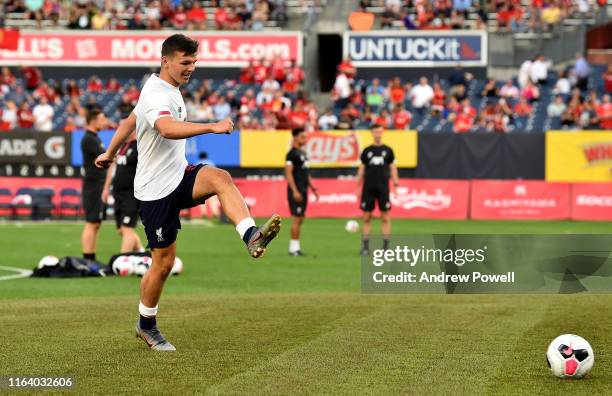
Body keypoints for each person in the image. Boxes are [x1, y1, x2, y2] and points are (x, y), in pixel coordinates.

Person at [94, 34, 281, 351]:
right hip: (154, 192)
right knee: (163, 263)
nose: (191, 68)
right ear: (166, 60)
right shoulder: (157, 94)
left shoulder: (160, 88)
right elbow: (165, 128)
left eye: (194, 62)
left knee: (220, 177)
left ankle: (251, 235)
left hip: (178, 175)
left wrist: (110, 151)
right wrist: (211, 126)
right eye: (185, 62)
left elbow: (130, 120)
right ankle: (146, 325)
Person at [356, 124, 399, 256]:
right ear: (371, 133)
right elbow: (362, 168)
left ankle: (386, 248)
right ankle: (365, 247)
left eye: (379, 131)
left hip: (383, 187)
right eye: (375, 131)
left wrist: (396, 183)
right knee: (366, 217)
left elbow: (392, 167)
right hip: (368, 187)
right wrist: (358, 186)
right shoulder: (366, 151)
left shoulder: (388, 150)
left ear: (382, 132)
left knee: (385, 217)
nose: (377, 134)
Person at [102, 130, 144, 253]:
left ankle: (123, 259)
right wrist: (106, 188)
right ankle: (142, 252)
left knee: (127, 228)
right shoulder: (121, 146)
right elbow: (113, 166)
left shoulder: (140, 146)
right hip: (118, 192)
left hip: (131, 193)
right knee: (121, 229)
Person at [81, 107, 109, 262]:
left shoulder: (95, 138)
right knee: (92, 222)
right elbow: (104, 159)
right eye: (102, 118)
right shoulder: (89, 139)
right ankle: (87, 257)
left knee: (96, 223)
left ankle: (91, 257)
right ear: (94, 120)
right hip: (93, 185)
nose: (105, 122)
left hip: (98, 184)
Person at [284, 128, 318, 257]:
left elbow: (305, 173)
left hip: (303, 189)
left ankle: (296, 247)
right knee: (297, 218)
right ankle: (293, 249)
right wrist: (294, 191)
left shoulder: (303, 153)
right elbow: (288, 173)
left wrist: (312, 187)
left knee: (301, 218)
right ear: (296, 138)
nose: (305, 139)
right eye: (302, 137)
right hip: (297, 190)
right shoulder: (291, 154)